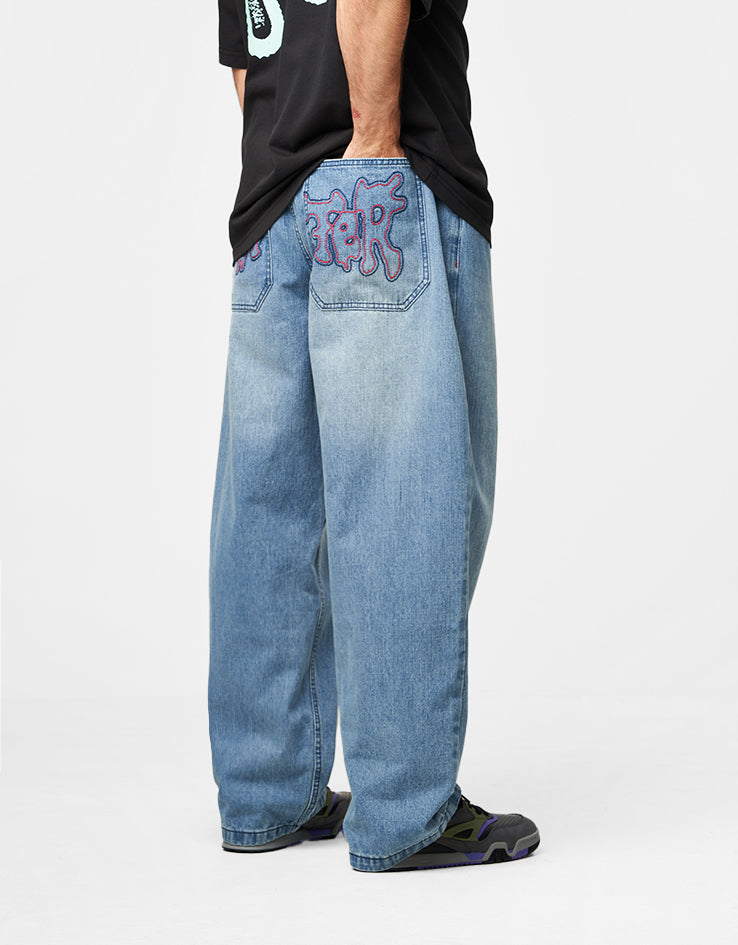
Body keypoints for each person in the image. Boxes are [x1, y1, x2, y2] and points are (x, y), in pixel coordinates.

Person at [208, 0, 541, 873]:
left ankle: (267, 790)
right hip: (386, 179)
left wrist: (290, 164)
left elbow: (250, 49)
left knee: (269, 510)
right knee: (406, 493)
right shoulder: (379, 154)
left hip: (269, 204)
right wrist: (373, 139)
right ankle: (406, 809)